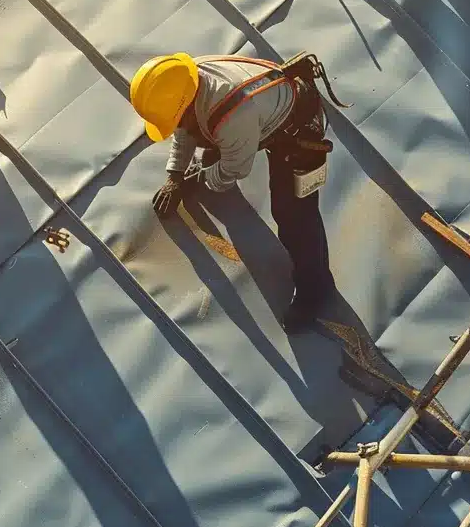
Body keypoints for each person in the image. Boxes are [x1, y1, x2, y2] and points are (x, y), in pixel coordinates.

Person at [130, 51, 349, 331]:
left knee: (293, 215)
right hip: (254, 114)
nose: (177, 127)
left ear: (186, 105)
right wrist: (175, 176)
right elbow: (182, 130)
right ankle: (219, 144)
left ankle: (315, 289)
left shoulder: (233, 116)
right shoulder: (187, 80)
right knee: (211, 136)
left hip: (297, 131)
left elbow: (233, 171)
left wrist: (200, 177)